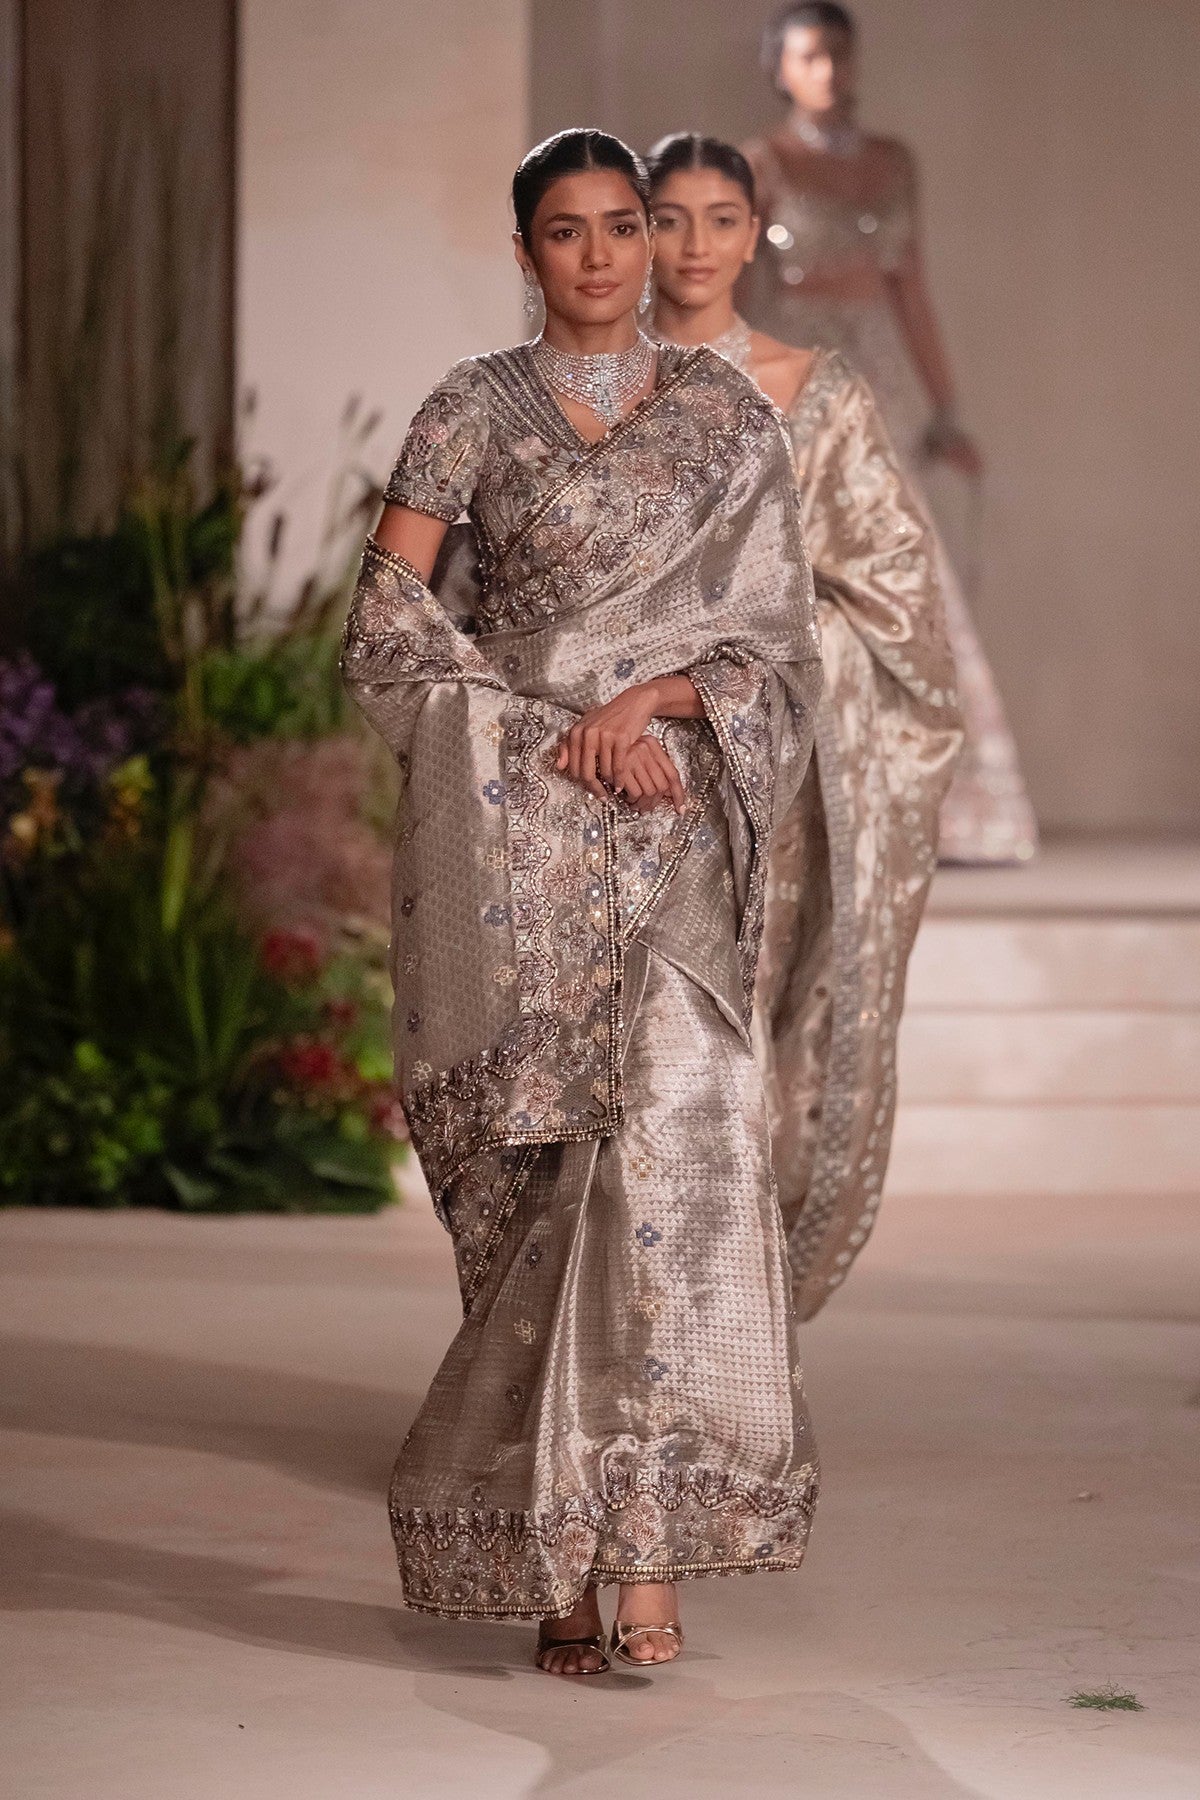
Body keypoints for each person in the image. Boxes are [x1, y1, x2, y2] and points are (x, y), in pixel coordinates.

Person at [341, 129, 824, 1678]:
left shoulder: (727, 418)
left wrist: (656, 700)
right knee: (537, 1185)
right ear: (526, 251)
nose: (607, 255)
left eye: (627, 225)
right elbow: (386, 621)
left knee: (676, 1155)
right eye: (570, 230)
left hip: (670, 818)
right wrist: (541, 729)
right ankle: (553, 1559)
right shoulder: (466, 410)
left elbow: (781, 649)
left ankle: (652, 1546)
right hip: (517, 837)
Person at [647, 130, 961, 1315]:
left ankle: (735, 1346)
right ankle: (608, 1362)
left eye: (721, 220)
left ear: (755, 236)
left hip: (763, 786)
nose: (695, 245)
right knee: (625, 1069)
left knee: (740, 1055)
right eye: (667, 219)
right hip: (608, 777)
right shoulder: (584, 389)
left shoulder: (817, 394)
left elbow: (897, 601)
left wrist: (733, 659)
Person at [741, 1, 1037, 865]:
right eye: (809, 56)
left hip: (880, 378)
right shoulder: (761, 164)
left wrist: (946, 413)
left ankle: (938, 804)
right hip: (796, 370)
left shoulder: (893, 164)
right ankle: (808, 807)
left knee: (905, 573)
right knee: (808, 570)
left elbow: (913, 289)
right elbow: (734, 287)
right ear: (779, 69)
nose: (828, 71)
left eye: (839, 53)